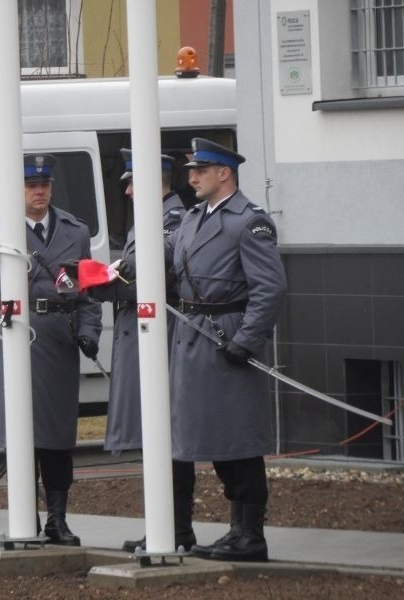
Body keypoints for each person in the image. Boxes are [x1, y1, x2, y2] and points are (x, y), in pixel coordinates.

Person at [119, 137, 286, 562]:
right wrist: (123, 267)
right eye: (192, 170)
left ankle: (249, 535)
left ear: (224, 173)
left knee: (238, 439)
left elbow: (269, 289)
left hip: (225, 333)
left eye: (200, 170)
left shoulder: (249, 222)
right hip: (191, 337)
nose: (190, 177)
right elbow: (167, 255)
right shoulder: (194, 218)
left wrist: (246, 340)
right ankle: (190, 529)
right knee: (194, 437)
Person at [0, 153, 102, 546]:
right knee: (20, 432)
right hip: (15, 332)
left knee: (57, 436)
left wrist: (89, 332)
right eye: (32, 186)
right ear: (17, 190)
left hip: (56, 337)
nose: (39, 192)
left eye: (45, 185)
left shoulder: (75, 231)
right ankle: (24, 517)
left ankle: (57, 519)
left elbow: (86, 294)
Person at [84, 149, 196, 553]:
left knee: (166, 440)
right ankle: (164, 527)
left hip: (159, 341)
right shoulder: (150, 220)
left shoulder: (172, 219)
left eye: (133, 182)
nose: (128, 191)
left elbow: (154, 268)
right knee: (155, 441)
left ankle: (176, 530)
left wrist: (101, 281)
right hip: (140, 338)